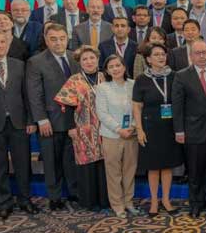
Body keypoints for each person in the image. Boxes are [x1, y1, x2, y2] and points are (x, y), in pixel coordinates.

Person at [26, 24, 80, 210]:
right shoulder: (36, 61)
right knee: (51, 160)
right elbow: (34, 94)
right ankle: (55, 197)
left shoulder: (75, 58)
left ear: (67, 38)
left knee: (71, 159)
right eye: (53, 39)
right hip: (50, 121)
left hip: (74, 120)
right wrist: (41, 119)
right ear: (46, 40)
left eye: (62, 38)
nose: (58, 42)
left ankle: (74, 192)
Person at [172, 40, 206, 218]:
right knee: (194, 169)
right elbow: (177, 106)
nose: (202, 56)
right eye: (197, 53)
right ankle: (195, 203)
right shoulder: (181, 75)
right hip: (193, 130)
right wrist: (179, 130)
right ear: (191, 56)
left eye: (205, 52)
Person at [53, 45, 109, 211]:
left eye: (92, 58)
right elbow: (67, 105)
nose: (89, 61)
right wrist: (70, 127)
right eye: (85, 59)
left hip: (106, 128)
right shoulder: (74, 80)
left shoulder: (106, 77)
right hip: (83, 129)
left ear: (97, 59)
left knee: (104, 164)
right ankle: (89, 202)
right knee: (87, 166)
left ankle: (105, 200)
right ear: (80, 62)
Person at [133, 43, 183, 216]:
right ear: (148, 59)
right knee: (153, 167)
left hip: (170, 128)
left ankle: (166, 200)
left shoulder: (175, 76)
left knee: (167, 166)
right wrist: (139, 129)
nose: (161, 57)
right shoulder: (141, 79)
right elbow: (137, 106)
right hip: (150, 128)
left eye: (163, 54)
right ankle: (154, 201)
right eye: (156, 55)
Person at [0, 31, 38, 219]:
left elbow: (28, 96)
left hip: (19, 123)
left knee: (22, 164)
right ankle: (4, 203)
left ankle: (25, 200)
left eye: (2, 42)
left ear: (7, 43)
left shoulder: (20, 65)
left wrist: (30, 120)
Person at [95, 55, 140, 218]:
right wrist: (119, 129)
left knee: (129, 170)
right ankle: (117, 205)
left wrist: (133, 126)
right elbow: (102, 113)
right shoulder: (102, 88)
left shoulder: (133, 85)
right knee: (113, 172)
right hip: (111, 136)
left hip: (131, 134)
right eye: (111, 66)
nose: (115, 69)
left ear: (124, 67)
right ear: (107, 70)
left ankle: (129, 202)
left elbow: (138, 109)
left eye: (118, 65)